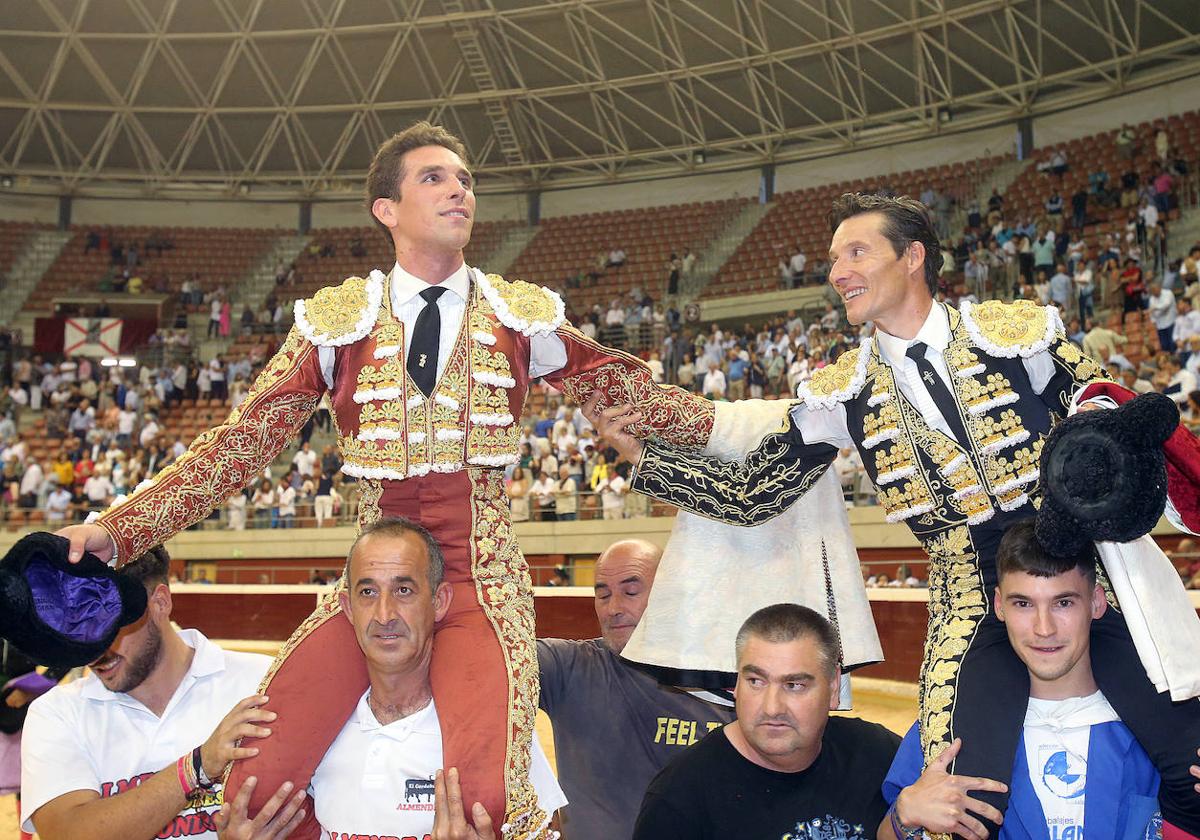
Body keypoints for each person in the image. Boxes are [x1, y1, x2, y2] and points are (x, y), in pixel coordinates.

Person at [56, 120, 709, 839]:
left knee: (484, 803)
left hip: (478, 585)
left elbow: (636, 391)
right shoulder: (337, 325)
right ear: (386, 209)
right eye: (435, 178)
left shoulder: (521, 317)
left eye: (465, 179)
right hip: (367, 588)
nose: (459, 189)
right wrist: (114, 532)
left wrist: (763, 430)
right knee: (252, 786)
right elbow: (238, 446)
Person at [588, 192, 1200, 838]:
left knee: (1191, 766)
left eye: (855, 253)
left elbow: (1108, 412)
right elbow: (753, 492)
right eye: (832, 259)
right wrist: (650, 459)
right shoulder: (844, 393)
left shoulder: (1018, 336)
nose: (836, 273)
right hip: (970, 600)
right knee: (959, 797)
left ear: (913, 257)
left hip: (1085, 579)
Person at [218, 518, 565, 839]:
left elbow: (552, 830)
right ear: (348, 607)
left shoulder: (491, 724)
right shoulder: (316, 730)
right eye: (368, 592)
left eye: (403, 591)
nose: (384, 615)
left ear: (440, 601)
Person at [880, 519, 1163, 840]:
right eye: (1023, 604)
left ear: (1097, 602)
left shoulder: (1152, 726)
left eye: (1063, 602)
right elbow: (887, 833)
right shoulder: (949, 724)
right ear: (999, 605)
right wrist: (905, 816)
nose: (1044, 628)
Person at [20, 546, 292, 840]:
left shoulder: (263, 680)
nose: (93, 653)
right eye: (78, 633)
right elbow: (68, 833)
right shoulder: (56, 711)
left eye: (106, 629)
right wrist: (196, 766)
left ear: (160, 603)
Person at [631, 603, 900, 838]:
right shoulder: (678, 801)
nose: (772, 708)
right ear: (735, 685)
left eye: (794, 685)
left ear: (833, 688)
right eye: (756, 682)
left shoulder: (879, 755)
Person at [537, 539, 734, 840]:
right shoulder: (567, 667)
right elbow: (489, 659)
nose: (613, 609)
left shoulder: (728, 680)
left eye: (630, 592)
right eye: (602, 595)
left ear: (670, 592)